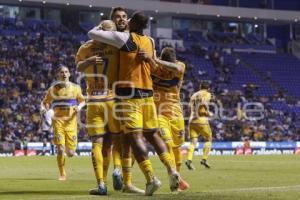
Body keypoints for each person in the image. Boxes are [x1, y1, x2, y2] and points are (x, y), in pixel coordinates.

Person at [88, 11, 180, 196]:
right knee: (153, 135)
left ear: (131, 23)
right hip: (148, 93)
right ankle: (172, 169)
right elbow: (154, 67)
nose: (123, 20)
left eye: (127, 18)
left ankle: (151, 178)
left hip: (128, 94)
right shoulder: (151, 41)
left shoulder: (123, 38)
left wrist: (101, 26)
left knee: (133, 137)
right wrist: (148, 58)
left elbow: (92, 34)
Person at [76, 19, 143, 195]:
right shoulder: (116, 47)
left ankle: (101, 185)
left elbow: (78, 67)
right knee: (118, 140)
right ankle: (118, 169)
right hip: (113, 99)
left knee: (97, 143)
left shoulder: (85, 48)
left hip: (94, 100)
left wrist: (89, 60)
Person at [152, 47, 189, 190]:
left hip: (176, 113)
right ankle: (173, 175)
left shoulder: (180, 66)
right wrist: (153, 60)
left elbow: (176, 68)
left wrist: (156, 60)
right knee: (167, 145)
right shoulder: (154, 68)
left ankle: (177, 179)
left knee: (176, 148)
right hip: (159, 114)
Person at [41, 65, 85, 180]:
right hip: (58, 122)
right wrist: (44, 108)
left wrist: (79, 107)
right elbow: (45, 102)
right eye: (61, 72)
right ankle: (62, 173)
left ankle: (66, 149)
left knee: (70, 153)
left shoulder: (76, 88)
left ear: (69, 74)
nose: (64, 74)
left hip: (71, 123)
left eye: (66, 72)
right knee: (60, 148)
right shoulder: (53, 89)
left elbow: (83, 101)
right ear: (58, 75)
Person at [185, 81, 213, 170]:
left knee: (193, 142)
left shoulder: (193, 95)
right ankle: (204, 159)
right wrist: (208, 112)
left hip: (192, 120)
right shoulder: (207, 94)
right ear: (207, 88)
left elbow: (189, 107)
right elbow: (204, 102)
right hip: (202, 120)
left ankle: (189, 160)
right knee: (209, 139)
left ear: (200, 87)